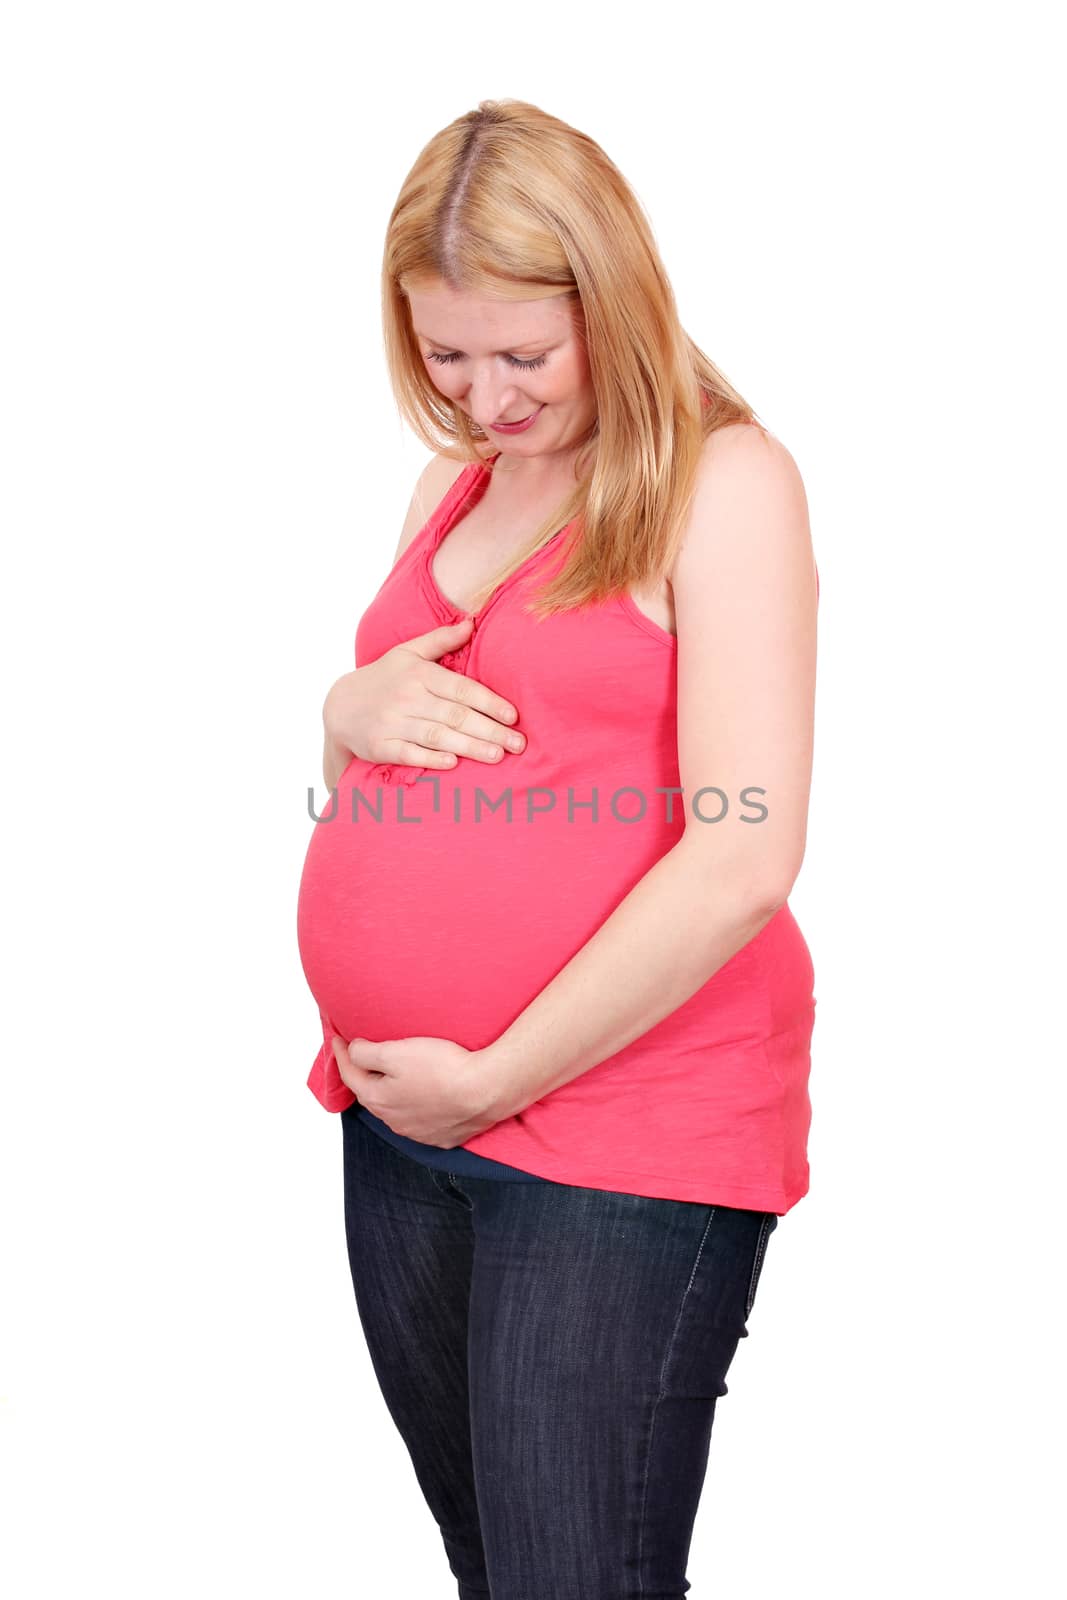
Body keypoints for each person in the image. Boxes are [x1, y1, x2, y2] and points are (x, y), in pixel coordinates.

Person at [296, 97, 818, 1600]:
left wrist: (497, 1076)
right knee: (501, 1572)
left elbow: (743, 854)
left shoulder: (726, 485)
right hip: (402, 1126)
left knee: (574, 1579)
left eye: (524, 355)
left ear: (618, 300)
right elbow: (382, 775)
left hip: (619, 1127)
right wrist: (344, 707)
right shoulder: (450, 482)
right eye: (444, 355)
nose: (484, 395)